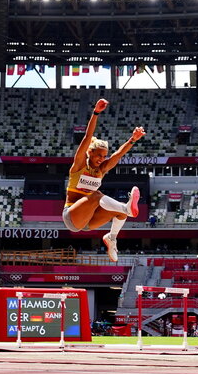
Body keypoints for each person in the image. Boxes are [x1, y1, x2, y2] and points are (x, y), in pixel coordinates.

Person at [61, 98, 147, 262]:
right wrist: (96, 113)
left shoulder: (101, 170)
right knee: (96, 195)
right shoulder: (78, 165)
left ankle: (112, 238)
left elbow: (118, 155)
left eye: (104, 156)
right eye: (98, 155)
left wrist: (133, 139)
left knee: (120, 213)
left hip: (89, 221)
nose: (102, 159)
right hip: (72, 216)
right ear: (90, 153)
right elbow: (87, 137)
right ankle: (127, 207)